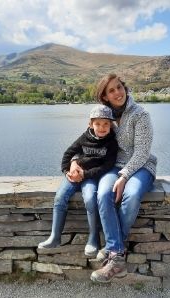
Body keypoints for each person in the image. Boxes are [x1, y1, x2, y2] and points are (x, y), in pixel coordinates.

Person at [70, 74, 157, 283]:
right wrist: (74, 161)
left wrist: (124, 176)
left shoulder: (140, 115)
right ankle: (117, 254)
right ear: (105, 97)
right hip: (113, 167)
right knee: (103, 194)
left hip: (141, 166)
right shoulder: (103, 117)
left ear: (125, 88)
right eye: (111, 90)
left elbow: (143, 152)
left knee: (132, 194)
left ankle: (112, 250)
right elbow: (84, 144)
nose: (117, 92)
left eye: (119, 87)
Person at [38, 104, 118, 257]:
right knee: (60, 198)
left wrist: (85, 174)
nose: (102, 127)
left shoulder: (111, 143)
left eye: (106, 124)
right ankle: (55, 237)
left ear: (111, 125)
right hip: (74, 175)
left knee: (89, 199)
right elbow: (68, 153)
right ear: (90, 124)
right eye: (98, 124)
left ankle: (93, 238)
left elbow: (107, 166)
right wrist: (67, 171)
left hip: (90, 177)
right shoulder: (84, 137)